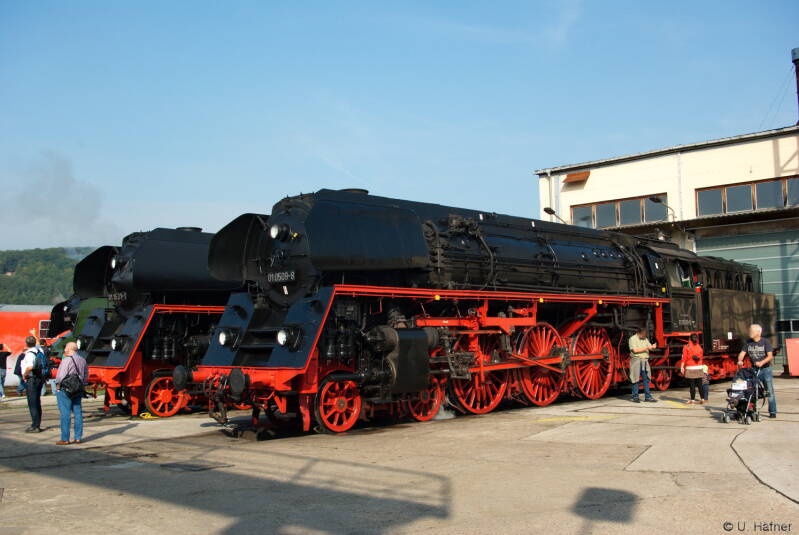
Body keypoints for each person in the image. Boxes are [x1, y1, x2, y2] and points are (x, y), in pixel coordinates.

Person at [737, 324, 777, 419]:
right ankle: (752, 410)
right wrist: (740, 360)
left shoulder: (765, 342)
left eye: (752, 331)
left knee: (769, 391)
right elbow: (742, 353)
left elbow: (770, 356)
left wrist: (761, 362)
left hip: (765, 370)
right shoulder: (748, 342)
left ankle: (772, 412)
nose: (750, 332)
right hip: (754, 370)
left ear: (758, 332)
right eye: (750, 331)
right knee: (751, 391)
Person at [54, 342, 88, 445]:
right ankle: (78, 437)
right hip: (77, 389)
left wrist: (58, 386)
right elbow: (86, 375)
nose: (64, 349)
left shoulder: (67, 360)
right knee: (78, 413)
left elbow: (61, 375)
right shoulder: (83, 360)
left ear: (68, 349)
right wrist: (81, 385)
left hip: (66, 389)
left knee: (65, 413)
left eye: (65, 347)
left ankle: (65, 439)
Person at [20, 336, 44, 432]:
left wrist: (25, 375)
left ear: (26, 344)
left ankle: (35, 426)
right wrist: (35, 334)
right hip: (39, 378)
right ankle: (37, 423)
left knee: (32, 403)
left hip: (31, 380)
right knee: (37, 402)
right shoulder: (39, 350)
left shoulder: (30, 354)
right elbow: (38, 344)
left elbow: (30, 367)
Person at [629, 326, 658, 403]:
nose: (645, 336)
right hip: (636, 360)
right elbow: (635, 350)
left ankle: (648, 397)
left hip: (645, 360)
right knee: (635, 379)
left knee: (646, 379)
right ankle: (635, 397)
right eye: (644, 334)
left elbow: (649, 347)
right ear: (639, 333)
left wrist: (653, 347)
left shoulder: (645, 339)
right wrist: (646, 348)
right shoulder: (632, 339)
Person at [680, 333, 706, 404]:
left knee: (692, 385)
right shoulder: (699, 347)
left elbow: (684, 358)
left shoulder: (686, 347)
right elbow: (701, 356)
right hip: (699, 367)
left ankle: (693, 400)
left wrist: (682, 367)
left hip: (690, 368)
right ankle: (702, 399)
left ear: (689, 339)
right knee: (700, 385)